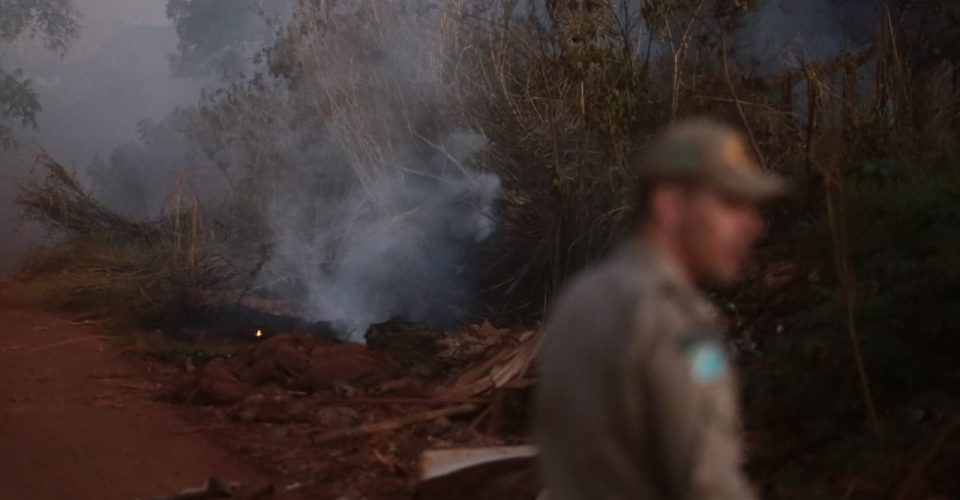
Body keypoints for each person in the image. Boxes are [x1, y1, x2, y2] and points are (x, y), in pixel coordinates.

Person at [535, 119, 786, 500]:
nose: (752, 225)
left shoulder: (582, 297)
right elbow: (709, 485)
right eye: (731, 203)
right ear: (669, 206)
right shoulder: (676, 323)